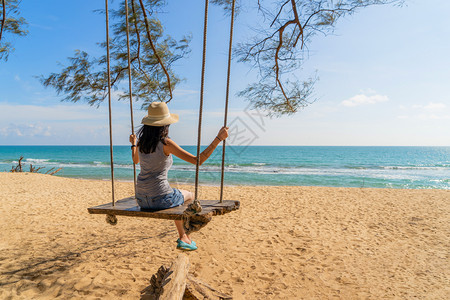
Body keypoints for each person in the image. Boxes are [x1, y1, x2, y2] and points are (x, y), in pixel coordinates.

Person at [129, 102, 229, 251]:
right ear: (165, 125)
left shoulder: (142, 143)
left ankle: (184, 236)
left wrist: (134, 144)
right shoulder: (166, 143)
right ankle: (184, 235)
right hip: (161, 198)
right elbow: (198, 160)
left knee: (174, 195)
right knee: (189, 195)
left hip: (142, 199)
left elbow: (135, 160)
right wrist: (218, 139)